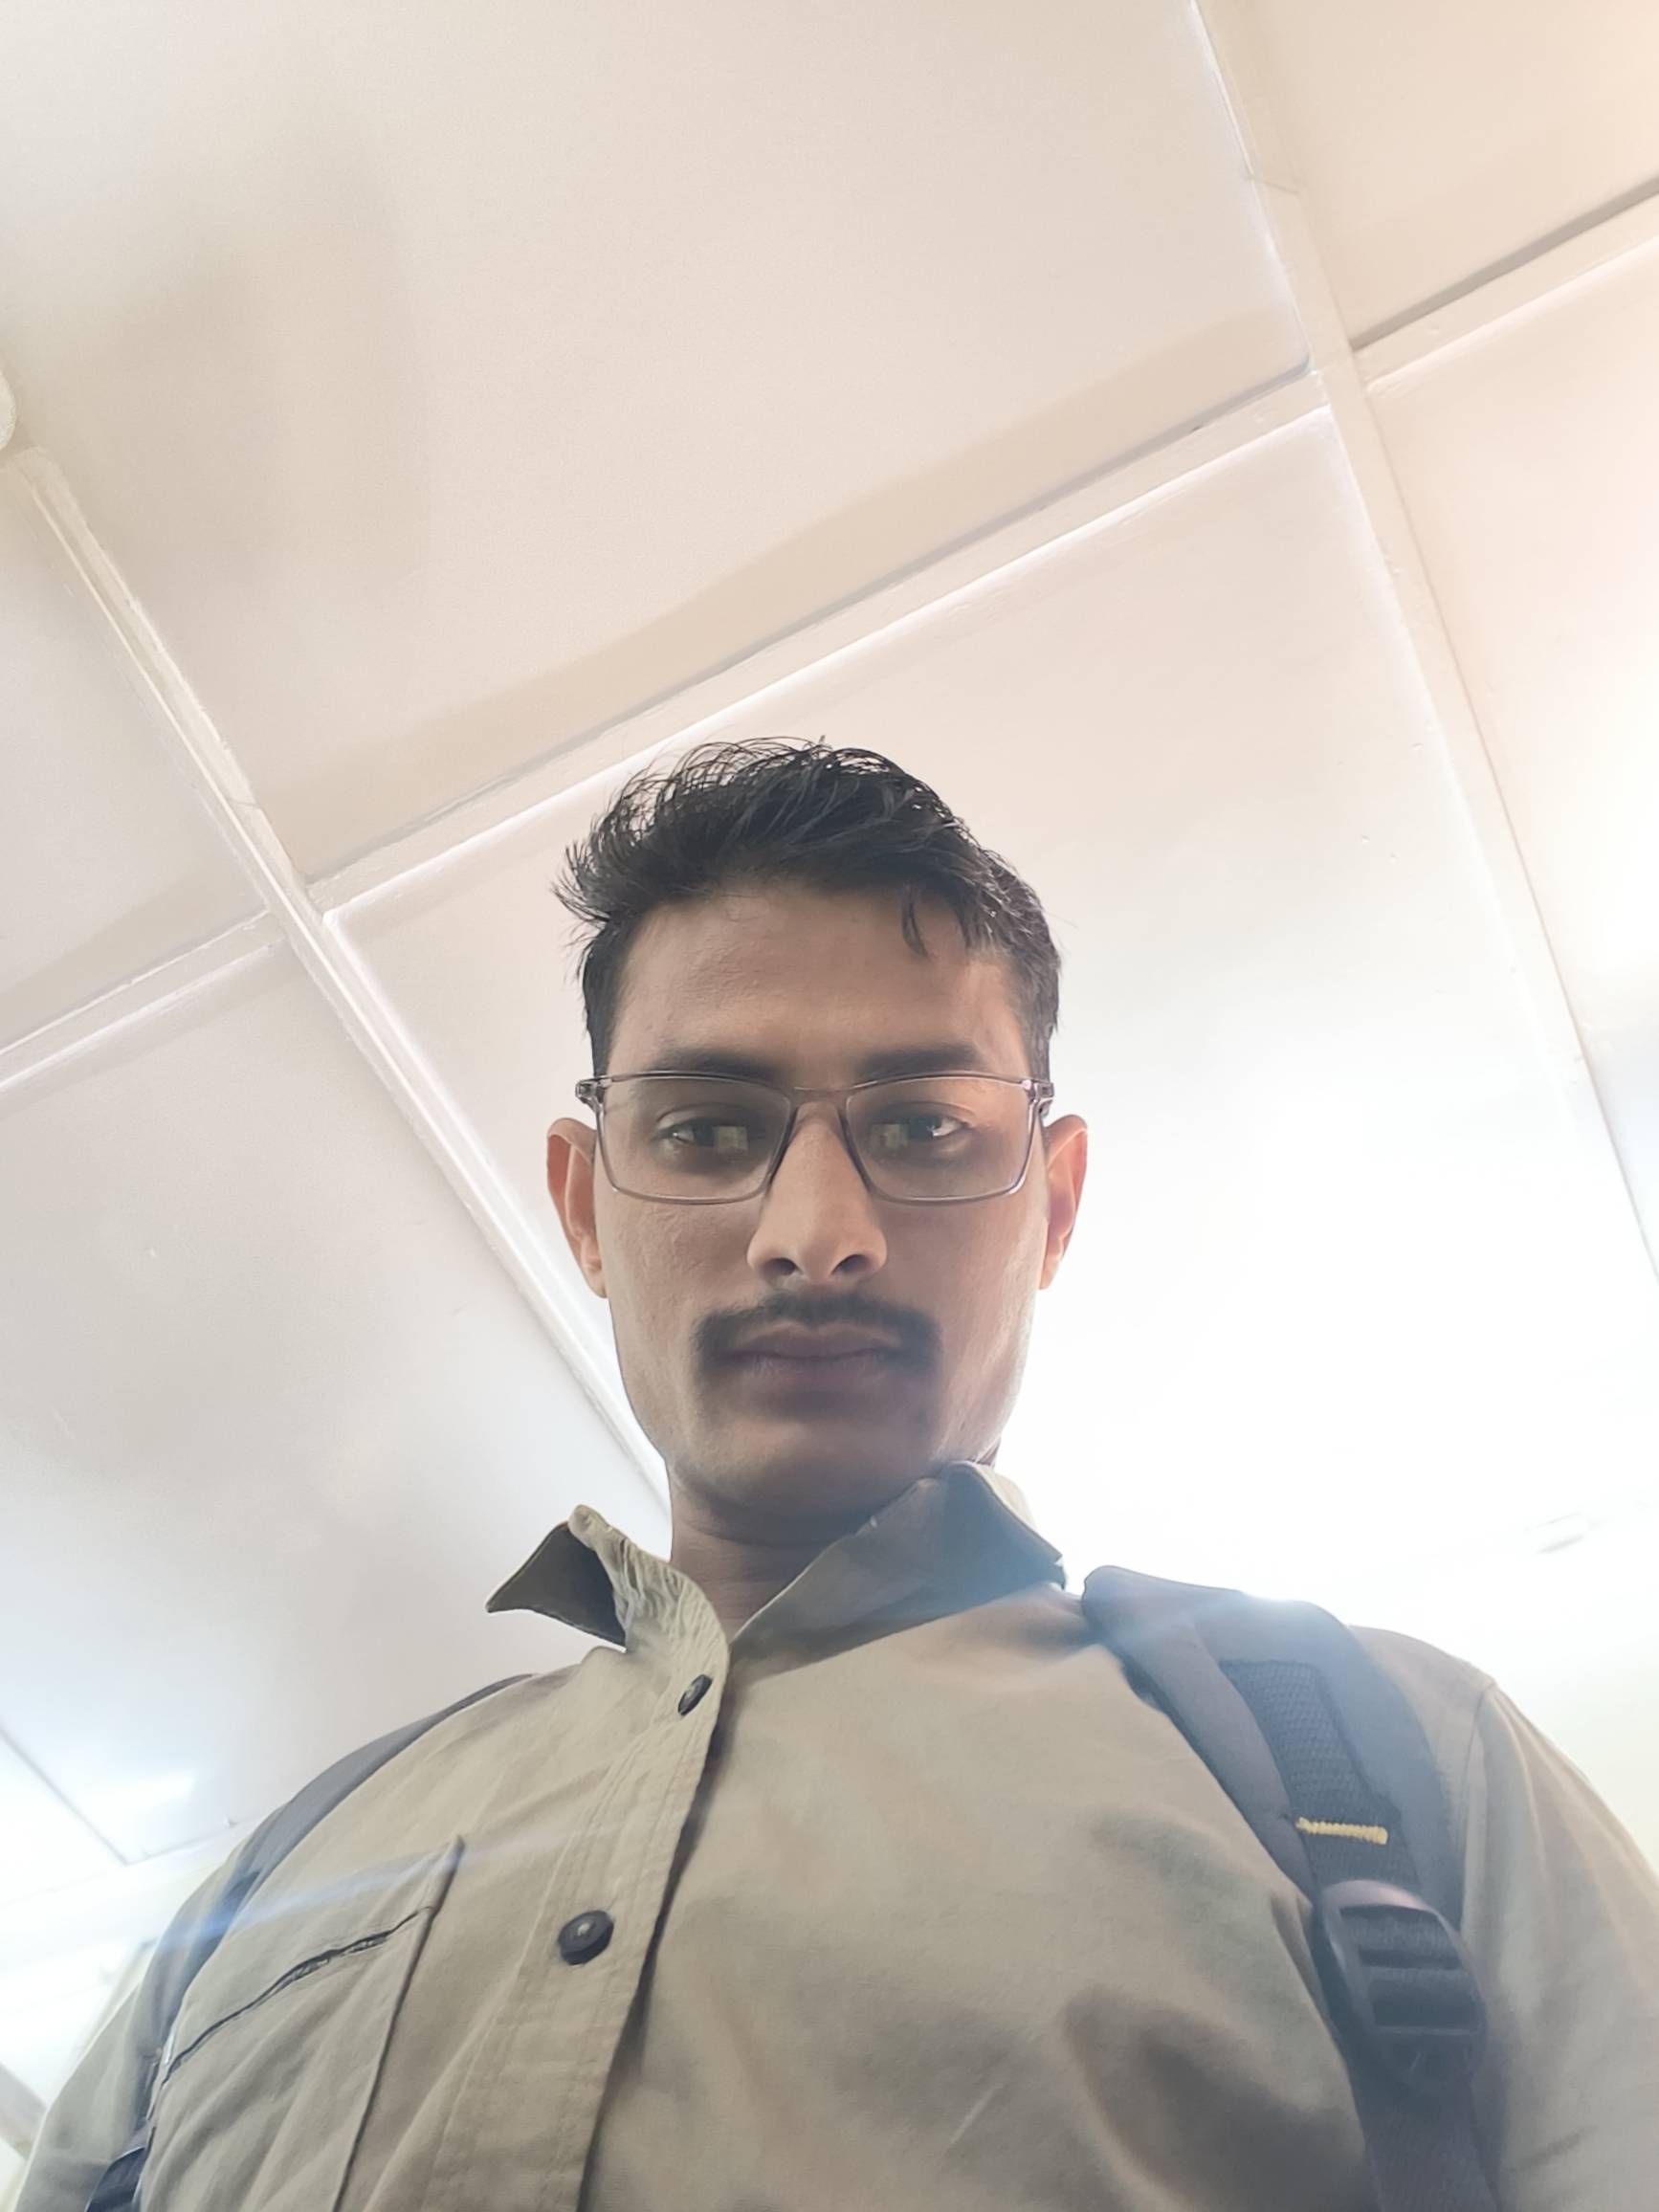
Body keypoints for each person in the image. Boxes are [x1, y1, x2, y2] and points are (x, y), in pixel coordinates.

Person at [21, 741, 1659, 2211]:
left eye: (925, 1127)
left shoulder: (1384, 1761)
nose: (817, 1234)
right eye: (706, 1130)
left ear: (1052, 1202)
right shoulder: (283, 1869)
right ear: (585, 1208)